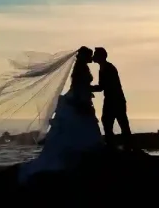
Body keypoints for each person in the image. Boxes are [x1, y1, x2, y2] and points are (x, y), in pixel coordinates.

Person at [17, 46, 104, 183]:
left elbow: (82, 86)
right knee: (80, 127)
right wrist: (83, 100)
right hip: (79, 99)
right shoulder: (80, 69)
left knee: (78, 129)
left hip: (81, 98)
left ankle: (81, 154)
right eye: (90, 56)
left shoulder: (81, 68)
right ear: (84, 56)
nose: (91, 59)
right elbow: (79, 86)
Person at [91, 47, 133, 150]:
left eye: (96, 55)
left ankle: (123, 146)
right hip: (111, 99)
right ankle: (115, 145)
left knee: (119, 122)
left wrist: (88, 88)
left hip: (115, 100)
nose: (94, 57)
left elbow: (102, 87)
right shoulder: (103, 68)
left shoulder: (109, 68)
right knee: (110, 122)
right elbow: (102, 87)